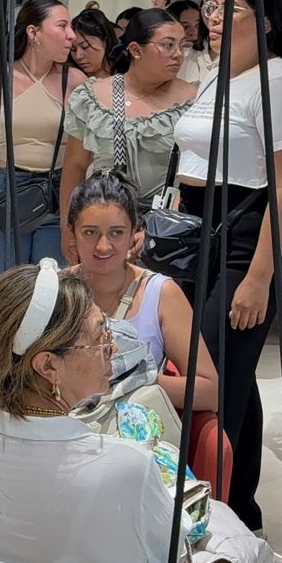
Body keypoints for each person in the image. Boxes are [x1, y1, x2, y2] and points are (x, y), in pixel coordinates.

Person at [0, 263, 270, 563]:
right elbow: (171, 550)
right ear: (48, 366)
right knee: (241, 540)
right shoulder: (124, 467)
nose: (114, 348)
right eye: (100, 337)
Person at [172, 0, 282, 531]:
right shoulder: (215, 76)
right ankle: (238, 506)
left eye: (229, 10)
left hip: (248, 237)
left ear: (268, 22)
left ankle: (206, 514)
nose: (212, 18)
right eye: (210, 7)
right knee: (228, 372)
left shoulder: (280, 83)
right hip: (196, 233)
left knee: (211, 377)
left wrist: (258, 279)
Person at [0, 0, 86, 274]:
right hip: (7, 186)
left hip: (57, 188)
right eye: (62, 26)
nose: (71, 35)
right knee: (7, 283)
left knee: (52, 284)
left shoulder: (75, 81)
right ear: (34, 33)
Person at [65, 170, 218, 412]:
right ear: (72, 232)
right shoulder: (55, 289)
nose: (103, 246)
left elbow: (209, 392)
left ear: (134, 234)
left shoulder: (162, 294)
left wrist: (139, 380)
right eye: (90, 232)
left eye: (116, 233)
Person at [59, 9, 197, 256]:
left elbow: (196, 177)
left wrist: (163, 224)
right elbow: (74, 167)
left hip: (165, 229)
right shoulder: (93, 96)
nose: (178, 54)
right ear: (135, 50)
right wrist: (68, 229)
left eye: (182, 46)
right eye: (167, 45)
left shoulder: (194, 101)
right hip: (103, 224)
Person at [178, 0, 224, 85]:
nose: (212, 15)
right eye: (207, 4)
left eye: (223, 6)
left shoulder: (249, 60)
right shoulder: (186, 51)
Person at [70, 9, 117, 80]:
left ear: (105, 41)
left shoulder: (125, 77)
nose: (78, 56)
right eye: (73, 49)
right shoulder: (71, 78)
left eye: (85, 46)